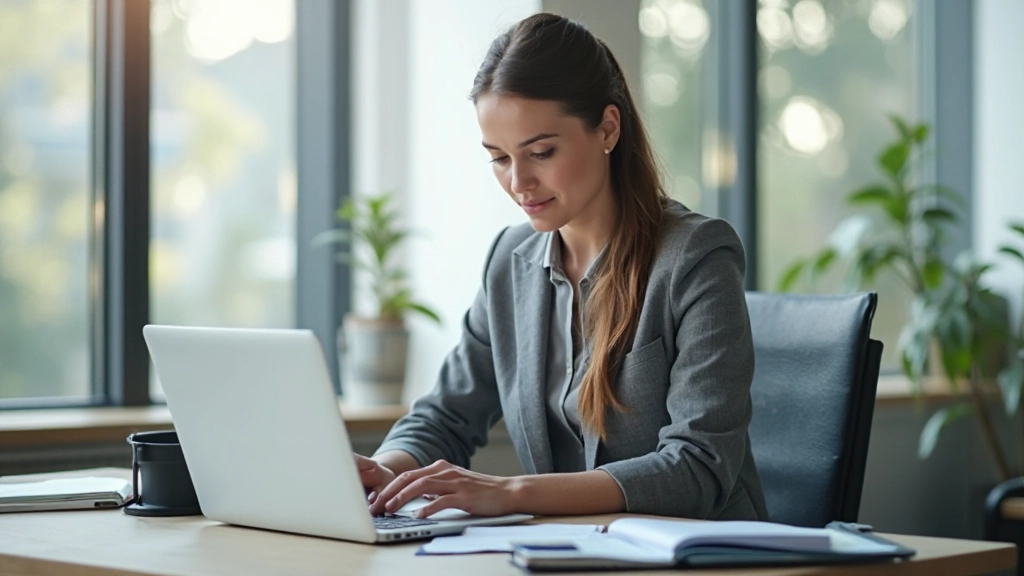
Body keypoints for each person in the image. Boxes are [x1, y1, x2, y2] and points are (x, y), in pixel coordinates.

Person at [357, 12, 769, 522]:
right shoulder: (510, 262)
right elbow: (445, 415)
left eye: (541, 152)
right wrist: (383, 472)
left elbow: (698, 467)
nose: (518, 183)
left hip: (700, 550)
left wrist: (511, 493)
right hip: (566, 550)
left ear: (608, 128)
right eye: (499, 158)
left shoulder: (695, 257)